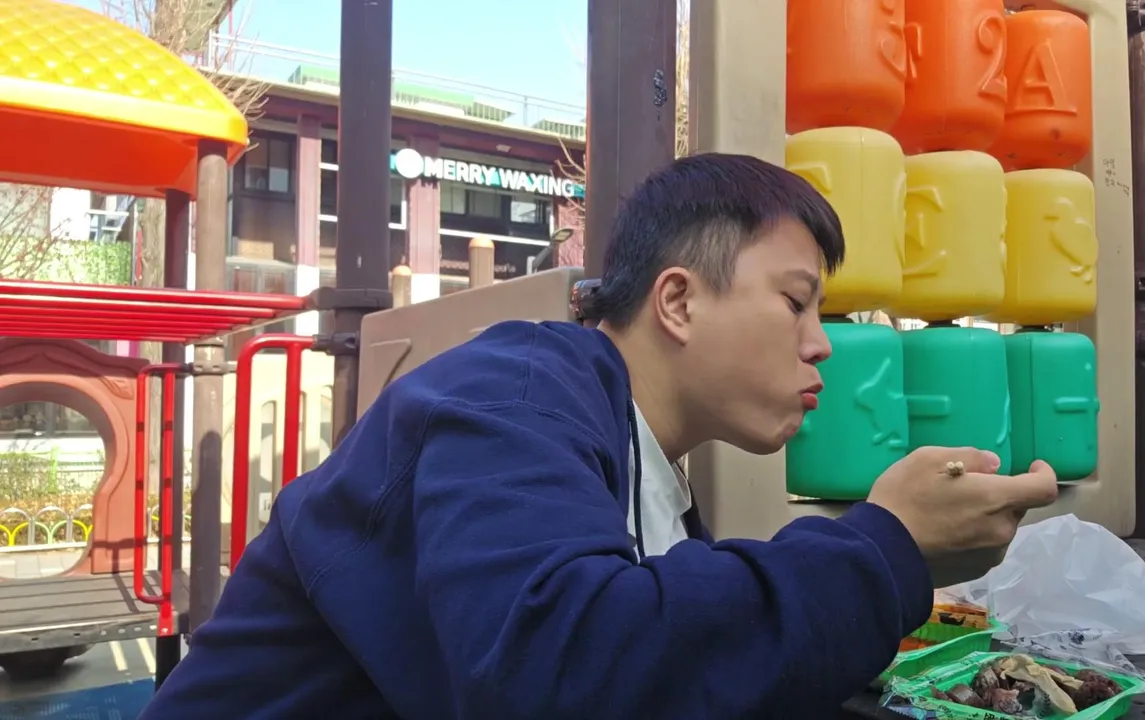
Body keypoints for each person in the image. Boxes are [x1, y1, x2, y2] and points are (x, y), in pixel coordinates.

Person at [141, 153, 1058, 719]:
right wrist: (885, 547)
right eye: (795, 302)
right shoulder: (515, 391)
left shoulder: (644, 467)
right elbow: (555, 672)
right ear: (678, 301)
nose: (822, 344)